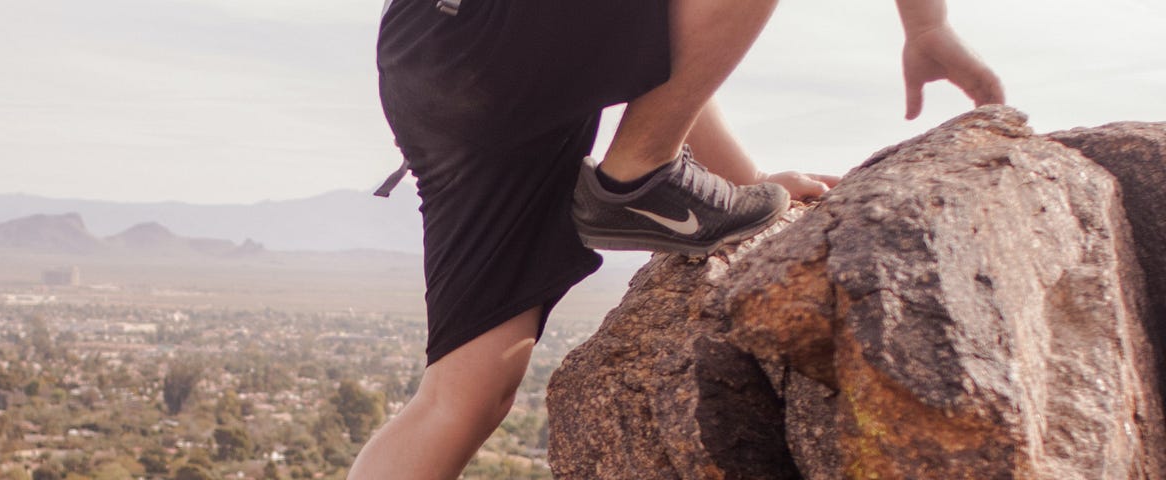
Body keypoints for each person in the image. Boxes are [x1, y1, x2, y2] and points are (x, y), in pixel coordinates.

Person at [352, 0, 1004, 478]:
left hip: (436, 53)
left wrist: (744, 182)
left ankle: (645, 171)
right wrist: (925, 23)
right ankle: (638, 179)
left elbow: (661, 46)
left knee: (461, 399)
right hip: (488, 36)